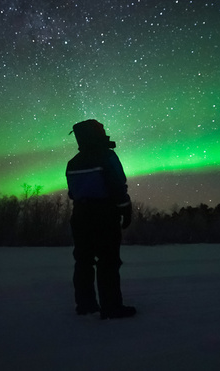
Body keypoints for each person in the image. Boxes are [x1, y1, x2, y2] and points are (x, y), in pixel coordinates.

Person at [65, 119, 136, 319]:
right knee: (108, 261)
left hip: (79, 215)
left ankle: (85, 305)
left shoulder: (73, 162)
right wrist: (125, 207)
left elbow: (73, 192)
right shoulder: (107, 156)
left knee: (83, 261)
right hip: (104, 214)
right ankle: (111, 306)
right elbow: (117, 183)